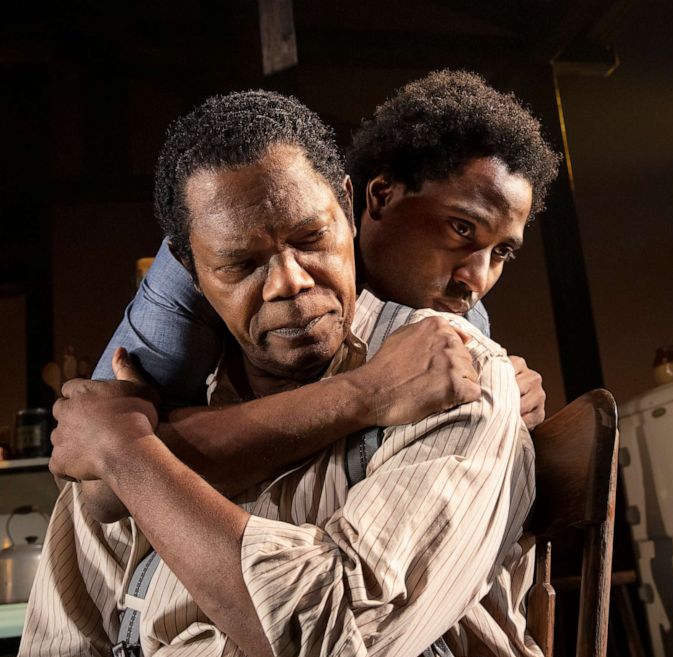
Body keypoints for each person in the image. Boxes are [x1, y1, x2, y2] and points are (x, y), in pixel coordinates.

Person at [20, 83, 557, 657]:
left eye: (310, 239)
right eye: (240, 263)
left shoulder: (456, 372)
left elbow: (330, 642)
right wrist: (121, 450)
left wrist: (126, 453)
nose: (289, 281)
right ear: (192, 268)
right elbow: (92, 515)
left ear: (347, 211)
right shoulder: (136, 393)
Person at [78, 70, 557, 525]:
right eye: (461, 228)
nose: (476, 278)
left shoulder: (466, 320)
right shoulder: (211, 238)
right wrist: (370, 391)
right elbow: (102, 482)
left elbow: (129, 454)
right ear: (377, 198)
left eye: (502, 252)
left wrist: (504, 402)